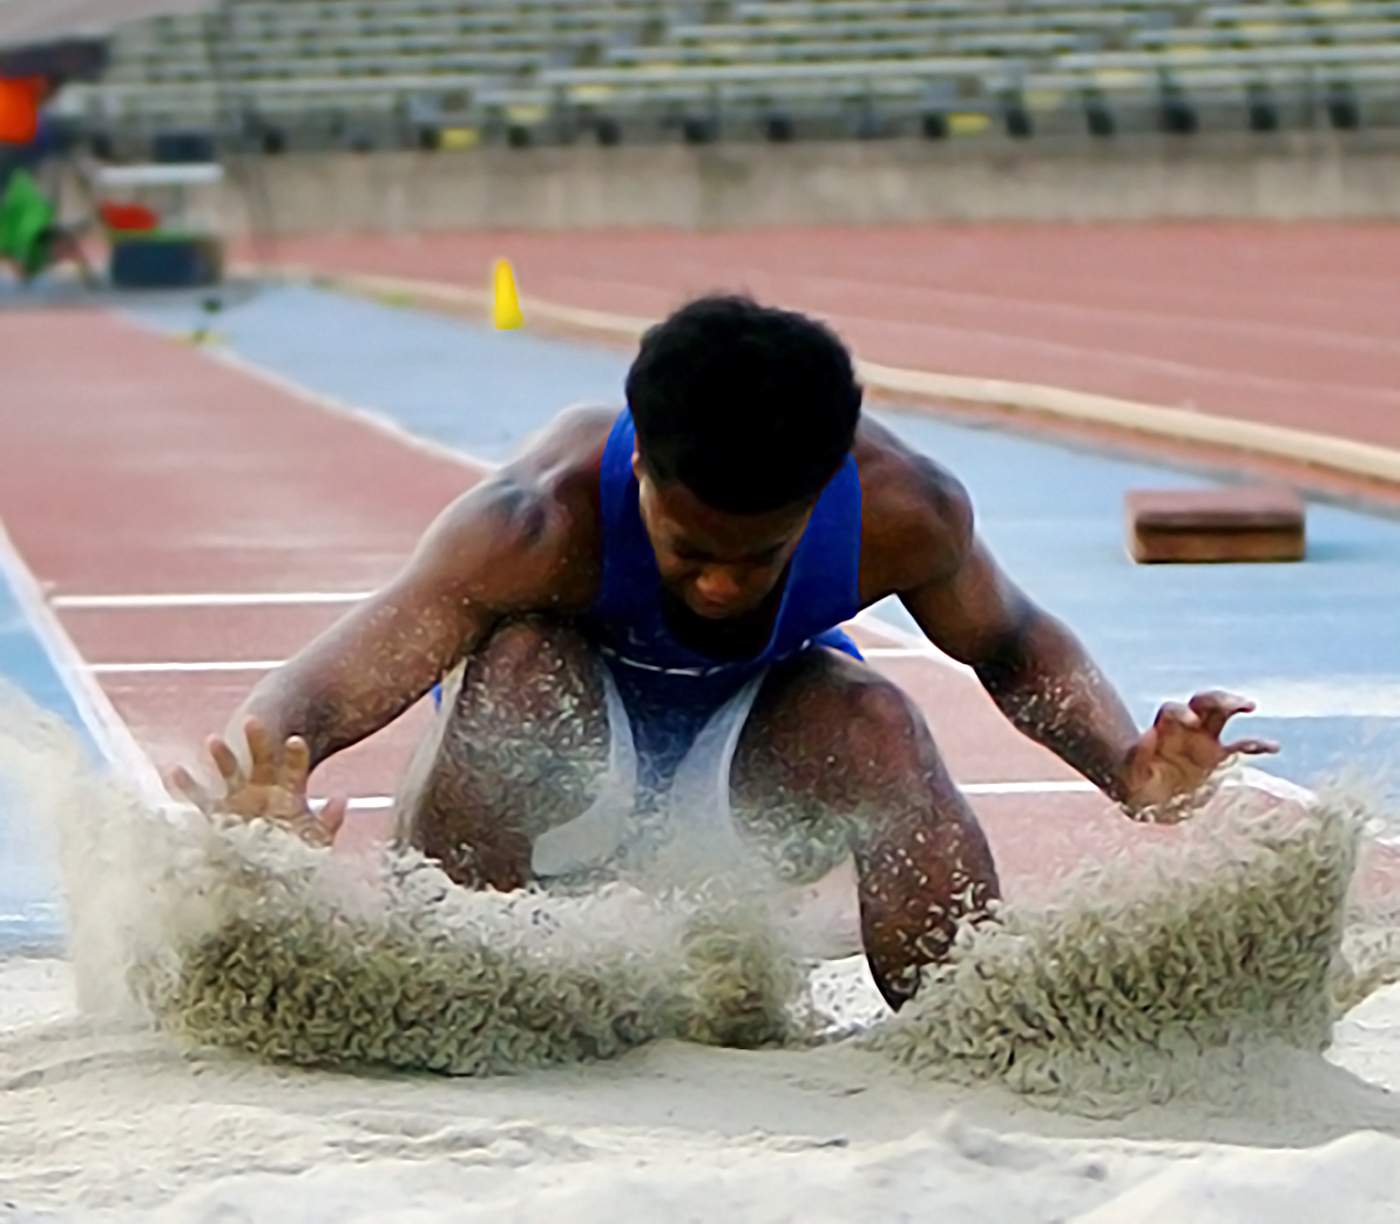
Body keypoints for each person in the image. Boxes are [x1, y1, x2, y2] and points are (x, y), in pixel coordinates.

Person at [169, 295, 1275, 1009]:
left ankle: (970, 1019)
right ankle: (457, 996)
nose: (718, 582)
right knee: (516, 676)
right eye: (690, 548)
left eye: (760, 557)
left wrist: (1126, 765)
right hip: (552, 791)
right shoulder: (533, 521)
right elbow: (331, 677)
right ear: (639, 461)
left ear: (824, 488)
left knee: (876, 719)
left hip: (737, 804)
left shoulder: (906, 510)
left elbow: (1013, 644)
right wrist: (268, 783)